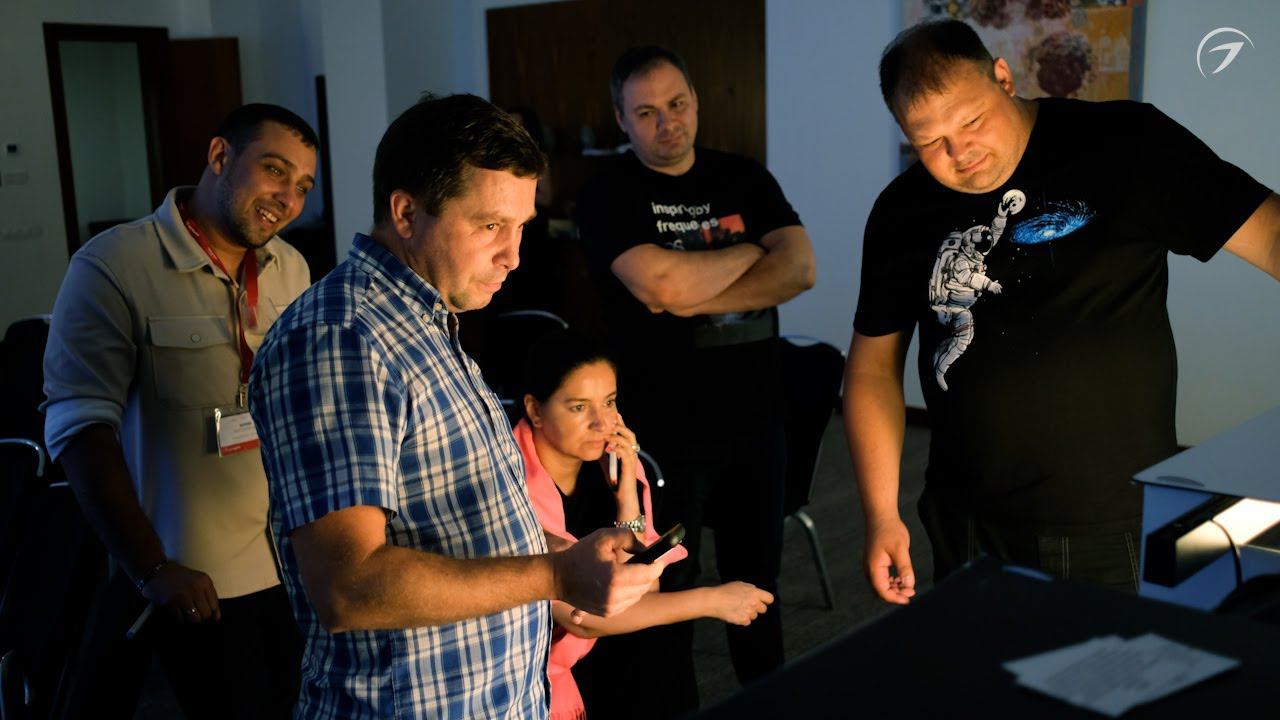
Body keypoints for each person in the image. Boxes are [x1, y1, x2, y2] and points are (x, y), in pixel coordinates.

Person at [248, 94, 664, 720]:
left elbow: (452, 516)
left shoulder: (427, 319)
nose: (514, 255)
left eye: (520, 226)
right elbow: (348, 586)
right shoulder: (343, 338)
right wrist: (554, 575)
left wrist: (568, 550)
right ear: (406, 212)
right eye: (490, 225)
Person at [847, 20, 1280, 605]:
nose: (960, 152)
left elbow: (1271, 235)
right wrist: (881, 514)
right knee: (978, 663)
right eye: (930, 141)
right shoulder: (901, 211)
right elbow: (872, 369)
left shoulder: (1125, 144)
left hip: (1115, 514)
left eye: (971, 121)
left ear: (1004, 78)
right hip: (967, 515)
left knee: (1125, 661)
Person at [42, 103, 319, 717]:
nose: (288, 198)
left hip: (290, 565)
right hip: (198, 580)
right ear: (220, 156)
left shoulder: (291, 269)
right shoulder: (115, 264)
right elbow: (80, 432)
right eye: (274, 170)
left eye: (303, 186)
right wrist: (152, 568)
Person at [576, 45, 815, 714]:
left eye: (677, 104)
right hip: (662, 434)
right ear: (621, 119)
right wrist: (750, 251)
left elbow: (800, 269)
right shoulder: (607, 193)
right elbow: (657, 284)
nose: (667, 122)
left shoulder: (745, 176)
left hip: (757, 422)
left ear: (696, 101)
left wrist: (689, 295)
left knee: (758, 582)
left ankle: (767, 700)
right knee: (666, 587)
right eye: (646, 112)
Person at [514, 331, 774, 720]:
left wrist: (627, 496)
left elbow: (644, 588)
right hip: (532, 655)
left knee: (659, 644)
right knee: (658, 641)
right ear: (535, 411)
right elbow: (581, 618)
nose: (602, 423)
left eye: (609, 402)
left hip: (589, 641)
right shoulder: (512, 484)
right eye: (579, 407)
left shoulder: (609, 470)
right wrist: (710, 601)